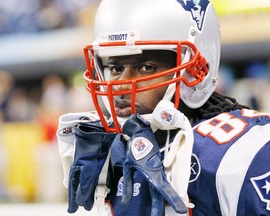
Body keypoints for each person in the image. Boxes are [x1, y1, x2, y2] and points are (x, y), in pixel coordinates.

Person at [56, 0, 270, 215]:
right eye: (116, 67)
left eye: (146, 67)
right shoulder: (107, 155)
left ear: (197, 71)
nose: (121, 84)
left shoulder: (242, 152)